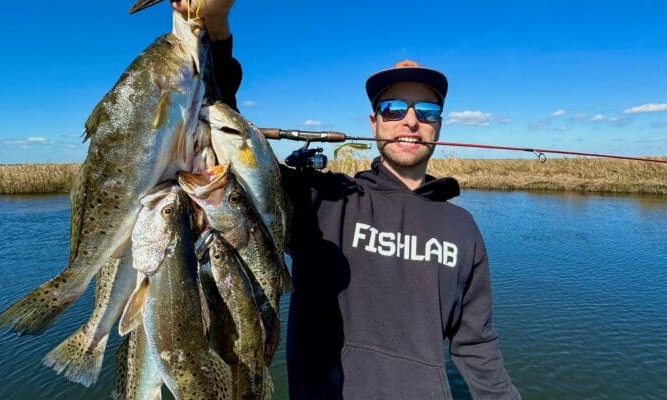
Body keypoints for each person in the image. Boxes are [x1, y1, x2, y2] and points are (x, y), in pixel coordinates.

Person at [172, 1, 520, 398]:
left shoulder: (462, 228)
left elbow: (477, 347)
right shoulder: (323, 201)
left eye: (426, 110)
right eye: (393, 108)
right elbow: (229, 131)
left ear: (439, 124)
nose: (410, 121)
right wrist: (215, 25)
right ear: (374, 122)